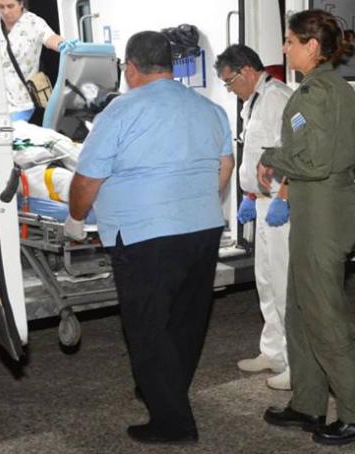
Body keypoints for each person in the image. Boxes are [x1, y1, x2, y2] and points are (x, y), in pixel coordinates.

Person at [65, 31, 234, 445]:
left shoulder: (120, 113)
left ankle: (173, 421)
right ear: (171, 66)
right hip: (202, 228)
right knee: (187, 321)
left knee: (147, 326)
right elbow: (225, 166)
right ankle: (164, 388)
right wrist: (193, 202)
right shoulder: (209, 109)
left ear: (131, 68)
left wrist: (75, 217)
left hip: (145, 236)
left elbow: (87, 179)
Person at [258, 10, 355, 446]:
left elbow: (315, 161)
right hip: (319, 212)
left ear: (312, 46)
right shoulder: (328, 87)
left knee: (325, 318)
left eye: (290, 41)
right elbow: (313, 151)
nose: (285, 48)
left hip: (323, 217)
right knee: (300, 313)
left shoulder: (316, 94)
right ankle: (309, 403)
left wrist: (271, 156)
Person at [214, 44, 294, 391]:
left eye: (230, 82)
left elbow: (293, 150)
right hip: (261, 202)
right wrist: (249, 195)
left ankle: (295, 361)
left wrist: (285, 196)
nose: (230, 89)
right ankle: (273, 352)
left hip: (280, 206)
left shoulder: (277, 98)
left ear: (246, 70)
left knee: (284, 285)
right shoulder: (253, 102)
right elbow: (258, 157)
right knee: (265, 282)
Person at [0, 0, 76, 123]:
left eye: (10, 6)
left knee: (10, 139)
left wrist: (64, 45)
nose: (5, 11)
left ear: (21, 3)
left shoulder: (34, 23)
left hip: (22, 104)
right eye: (1, 6)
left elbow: (50, 38)